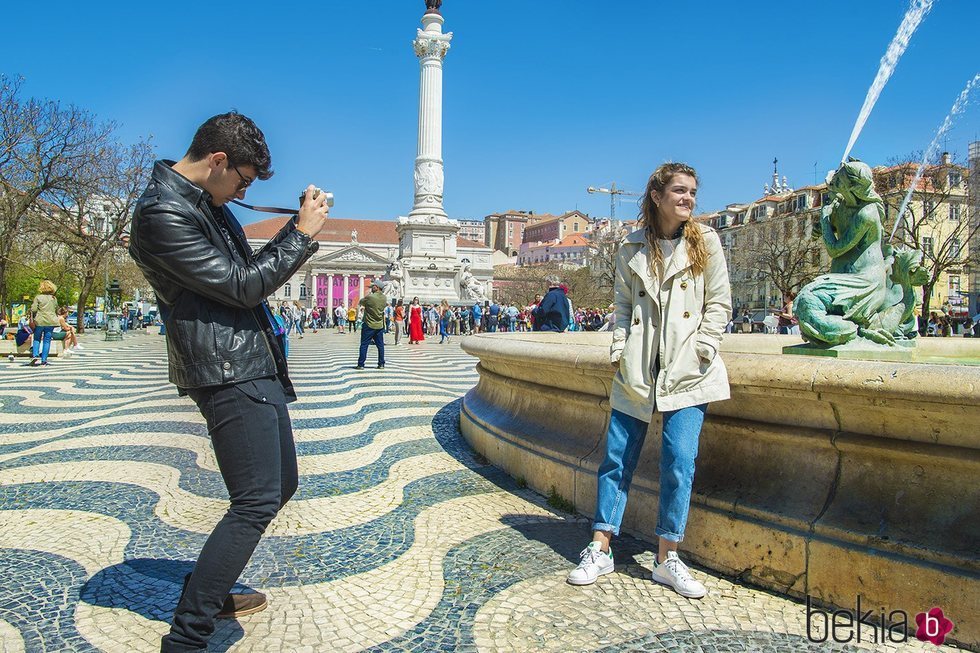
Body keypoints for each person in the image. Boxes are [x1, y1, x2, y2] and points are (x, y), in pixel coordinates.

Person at [128, 111, 329, 652]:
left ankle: (207, 586)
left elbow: (244, 277)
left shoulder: (201, 205)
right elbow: (243, 288)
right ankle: (189, 634)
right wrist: (304, 238)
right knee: (256, 498)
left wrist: (293, 228)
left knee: (279, 484)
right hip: (223, 369)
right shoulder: (161, 214)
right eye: (241, 180)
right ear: (217, 160)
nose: (242, 191)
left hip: (247, 358)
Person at [566, 162, 731, 600]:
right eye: (680, 190)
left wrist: (705, 347)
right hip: (637, 367)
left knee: (679, 460)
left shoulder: (706, 242)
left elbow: (719, 303)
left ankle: (667, 556)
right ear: (657, 196)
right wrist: (619, 348)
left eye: (693, 191)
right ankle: (600, 547)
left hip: (689, 369)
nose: (689, 199)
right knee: (617, 459)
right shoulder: (630, 248)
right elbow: (622, 307)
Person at [356, 282, 387, 369]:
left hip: (369, 324)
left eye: (373, 286)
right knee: (380, 345)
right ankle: (381, 363)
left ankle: (361, 364)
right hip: (379, 325)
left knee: (364, 344)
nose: (371, 288)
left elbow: (361, 302)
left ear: (376, 287)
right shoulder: (384, 298)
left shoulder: (370, 297)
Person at [30, 280, 60, 366]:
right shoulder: (53, 298)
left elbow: (34, 309)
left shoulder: (38, 297)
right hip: (50, 321)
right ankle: (44, 359)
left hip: (40, 320)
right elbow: (56, 309)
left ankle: (35, 354)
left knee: (37, 338)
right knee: (47, 340)